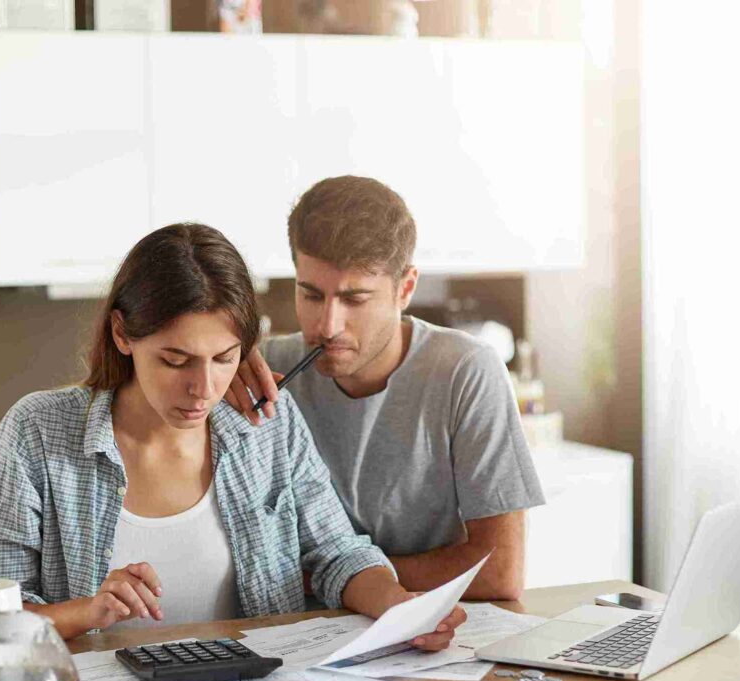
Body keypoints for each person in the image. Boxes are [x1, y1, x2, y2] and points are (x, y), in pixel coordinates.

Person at [0, 222, 466, 646]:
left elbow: (339, 554)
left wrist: (399, 606)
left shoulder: (268, 425)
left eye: (224, 359)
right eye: (175, 360)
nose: (202, 389)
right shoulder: (38, 432)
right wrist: (88, 611)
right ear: (123, 335)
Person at [226, 176, 546, 601]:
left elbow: (499, 572)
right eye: (311, 295)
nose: (326, 326)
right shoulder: (266, 371)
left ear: (405, 289)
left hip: (420, 626)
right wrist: (216, 371)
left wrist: (336, 577)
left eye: (355, 299)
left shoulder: (466, 372)